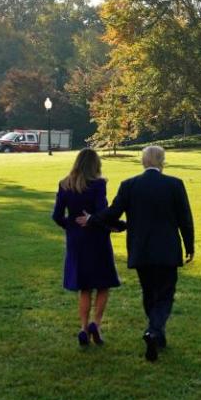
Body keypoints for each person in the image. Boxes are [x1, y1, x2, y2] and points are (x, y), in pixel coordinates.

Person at [77, 145, 194, 362]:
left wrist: (93, 219)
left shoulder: (130, 185)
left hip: (141, 250)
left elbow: (113, 212)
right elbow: (185, 219)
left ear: (143, 162)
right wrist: (190, 246)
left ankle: (157, 334)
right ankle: (154, 330)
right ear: (162, 161)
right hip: (167, 250)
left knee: (149, 292)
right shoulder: (174, 185)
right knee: (165, 294)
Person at [51, 148, 124, 347]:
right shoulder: (98, 185)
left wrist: (72, 226)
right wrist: (117, 225)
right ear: (95, 165)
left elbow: (57, 216)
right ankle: (96, 324)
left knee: (84, 287)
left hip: (76, 241)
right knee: (103, 283)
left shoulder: (64, 184)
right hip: (97, 239)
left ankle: (83, 328)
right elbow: (102, 212)